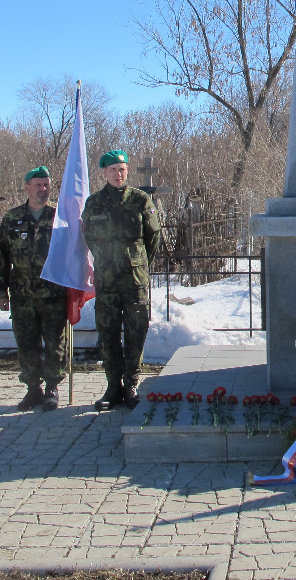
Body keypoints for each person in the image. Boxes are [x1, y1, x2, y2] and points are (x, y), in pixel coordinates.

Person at [81, 150, 161, 411]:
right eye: (113, 169)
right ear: (104, 172)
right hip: (107, 281)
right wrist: (106, 261)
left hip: (134, 281)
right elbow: (90, 237)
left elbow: (153, 238)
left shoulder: (140, 200)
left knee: (136, 332)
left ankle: (131, 383)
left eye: (123, 169)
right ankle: (113, 385)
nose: (119, 174)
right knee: (108, 332)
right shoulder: (94, 203)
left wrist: (138, 264)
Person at [0, 166, 67, 412]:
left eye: (46, 185)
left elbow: (72, 252)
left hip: (53, 293)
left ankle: (52, 388)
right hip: (22, 293)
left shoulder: (60, 216)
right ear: (27, 187)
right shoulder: (12, 218)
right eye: (38, 185)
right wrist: (0, 290)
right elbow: (1, 257)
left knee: (55, 343)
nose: (43, 189)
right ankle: (33, 389)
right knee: (26, 343)